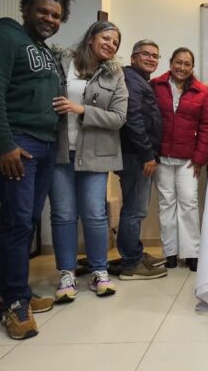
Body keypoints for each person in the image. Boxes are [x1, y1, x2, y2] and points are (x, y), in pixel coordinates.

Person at [0, 0, 71, 340]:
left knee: (26, 220)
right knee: (17, 222)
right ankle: (15, 303)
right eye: (43, 11)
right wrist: (4, 144)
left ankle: (14, 293)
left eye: (56, 15)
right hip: (19, 144)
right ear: (26, 9)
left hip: (44, 144)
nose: (49, 19)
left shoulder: (41, 48)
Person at [49, 21, 127, 302]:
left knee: (95, 214)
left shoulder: (115, 74)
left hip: (96, 154)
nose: (110, 45)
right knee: (63, 214)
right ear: (91, 38)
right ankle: (67, 273)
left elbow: (119, 118)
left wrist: (82, 110)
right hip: (60, 152)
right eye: (106, 38)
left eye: (115, 42)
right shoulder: (62, 63)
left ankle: (99, 271)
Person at [151, 48, 208, 272]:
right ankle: (170, 252)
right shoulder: (156, 85)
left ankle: (192, 253)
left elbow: (207, 127)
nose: (182, 67)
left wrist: (199, 158)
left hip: (189, 159)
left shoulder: (201, 91)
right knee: (166, 204)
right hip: (162, 157)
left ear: (192, 67)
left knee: (189, 203)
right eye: (178, 62)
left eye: (187, 64)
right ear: (170, 63)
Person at [111, 39, 168, 280]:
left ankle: (133, 252)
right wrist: (147, 154)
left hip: (138, 154)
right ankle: (131, 263)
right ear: (134, 57)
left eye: (155, 55)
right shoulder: (131, 80)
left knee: (136, 209)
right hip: (136, 155)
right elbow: (133, 118)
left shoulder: (139, 80)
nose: (151, 59)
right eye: (146, 54)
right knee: (134, 210)